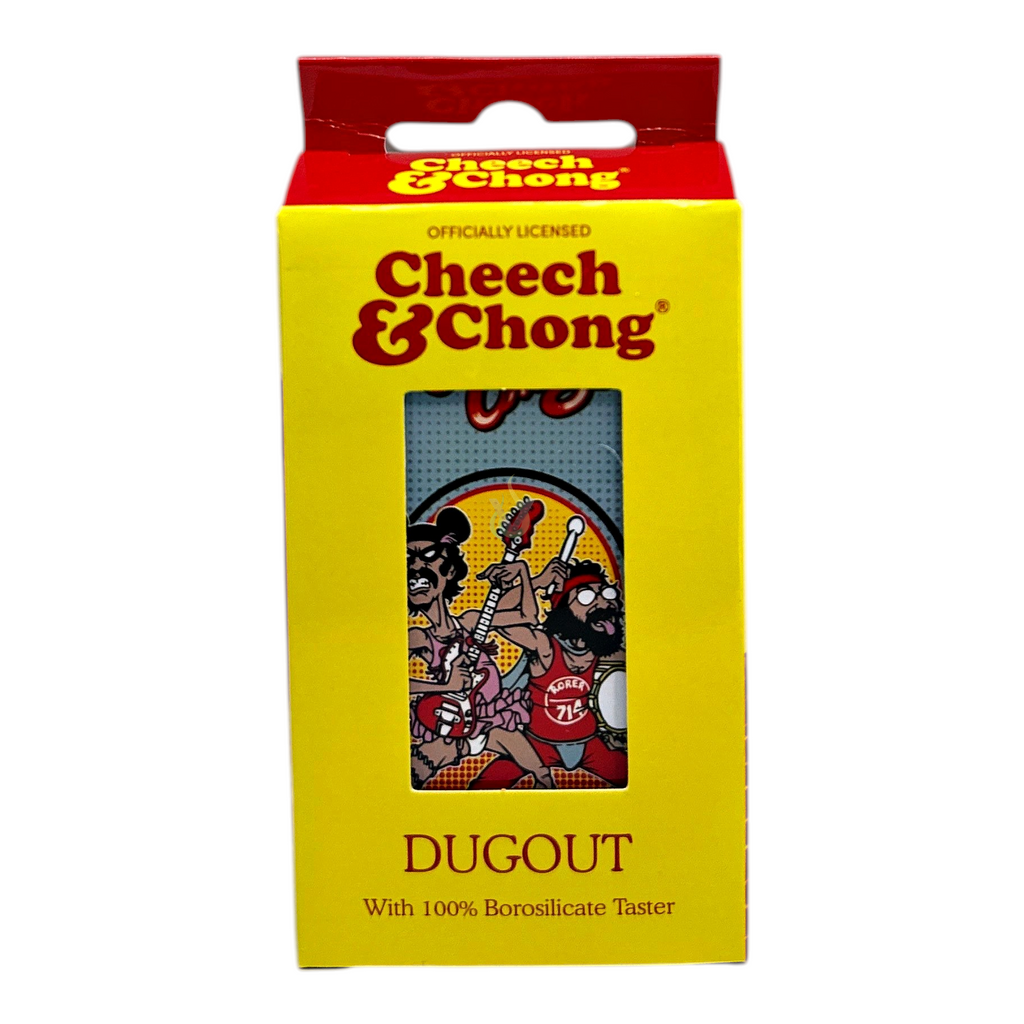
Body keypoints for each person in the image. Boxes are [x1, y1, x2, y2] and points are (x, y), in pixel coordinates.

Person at [407, 506, 554, 789]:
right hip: (448, 723)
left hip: (489, 720)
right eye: (408, 560)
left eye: (427, 556)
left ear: (450, 570)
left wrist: (522, 572)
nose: (415, 567)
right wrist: (446, 686)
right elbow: (390, 683)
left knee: (542, 773)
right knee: (416, 773)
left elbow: (528, 615)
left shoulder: (471, 621)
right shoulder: (420, 637)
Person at [470, 559, 627, 789]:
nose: (602, 602)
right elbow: (493, 618)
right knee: (483, 786)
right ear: (563, 609)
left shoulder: (602, 649)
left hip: (588, 743)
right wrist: (534, 579)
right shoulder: (544, 647)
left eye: (606, 593)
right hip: (539, 744)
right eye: (586, 596)